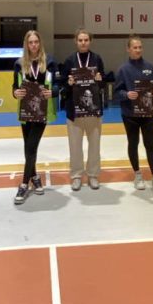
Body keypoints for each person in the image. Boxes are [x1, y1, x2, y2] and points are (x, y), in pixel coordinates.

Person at [114, 35, 153, 197]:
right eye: (134, 47)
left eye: (140, 47)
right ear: (128, 49)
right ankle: (137, 174)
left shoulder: (151, 67)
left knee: (150, 145)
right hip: (130, 114)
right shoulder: (123, 70)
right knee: (133, 143)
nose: (138, 50)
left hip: (148, 114)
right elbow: (116, 93)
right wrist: (126, 95)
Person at [12, 30, 58, 205]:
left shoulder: (50, 62)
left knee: (31, 146)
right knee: (28, 147)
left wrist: (52, 92)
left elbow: (57, 85)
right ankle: (35, 177)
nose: (33, 45)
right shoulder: (19, 64)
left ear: (40, 43)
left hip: (42, 111)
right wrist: (15, 93)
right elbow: (14, 87)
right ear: (26, 44)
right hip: (25, 111)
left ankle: (24, 184)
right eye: (30, 42)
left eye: (36, 42)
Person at [60, 29, 106, 191]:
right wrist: (68, 83)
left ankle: (93, 175)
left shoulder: (97, 59)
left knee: (94, 145)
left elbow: (102, 83)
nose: (83, 42)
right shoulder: (70, 60)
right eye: (80, 40)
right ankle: (76, 176)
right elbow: (62, 86)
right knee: (75, 146)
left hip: (93, 110)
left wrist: (100, 80)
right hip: (75, 111)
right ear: (76, 41)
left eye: (86, 40)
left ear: (90, 41)